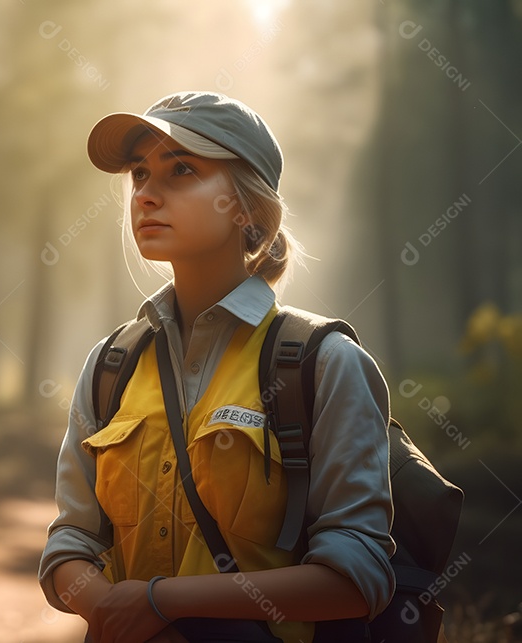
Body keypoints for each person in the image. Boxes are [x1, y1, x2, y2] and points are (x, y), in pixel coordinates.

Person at [37, 91, 395, 643]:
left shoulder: (324, 364)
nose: (146, 195)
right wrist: (111, 608)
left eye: (181, 170)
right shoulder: (111, 365)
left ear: (248, 207)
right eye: (139, 174)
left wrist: (161, 602)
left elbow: (358, 575)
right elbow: (70, 544)